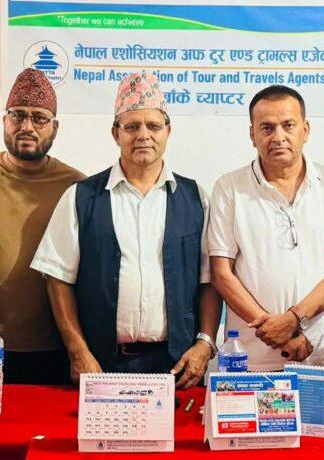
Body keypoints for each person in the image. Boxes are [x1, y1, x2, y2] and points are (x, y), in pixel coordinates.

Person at [31, 71, 221, 388]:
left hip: (177, 366)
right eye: (132, 126)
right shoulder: (81, 197)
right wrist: (77, 350)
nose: (143, 135)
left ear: (168, 131)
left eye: (153, 126)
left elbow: (210, 280)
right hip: (100, 364)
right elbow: (57, 278)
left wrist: (205, 343)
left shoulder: (195, 198)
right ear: (115, 133)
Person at [208, 85, 324, 372]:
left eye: (288, 125)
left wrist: (293, 319)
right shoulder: (229, 187)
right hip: (248, 359)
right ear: (252, 135)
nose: (278, 137)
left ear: (305, 129)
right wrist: (278, 333)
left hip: (317, 354)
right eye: (266, 128)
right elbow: (222, 274)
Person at [0, 68, 85, 384]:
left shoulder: (76, 186)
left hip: (57, 348)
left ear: (55, 127)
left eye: (39, 118)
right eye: (17, 115)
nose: (27, 127)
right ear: (4, 121)